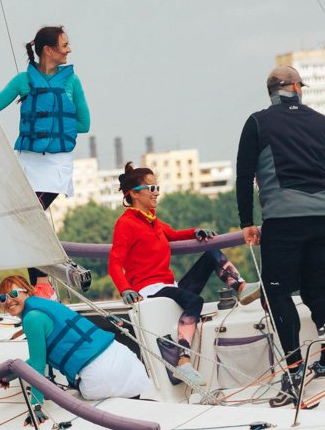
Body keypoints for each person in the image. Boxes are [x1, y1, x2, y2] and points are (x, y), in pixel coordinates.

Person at [236, 65, 325, 406]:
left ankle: (295, 369)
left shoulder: (257, 122)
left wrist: (247, 222)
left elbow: (243, 176)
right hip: (323, 216)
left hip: (283, 218)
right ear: (296, 87)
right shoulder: (323, 122)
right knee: (318, 289)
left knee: (278, 293)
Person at [109, 163, 260, 386]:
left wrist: (195, 232)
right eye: (151, 188)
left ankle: (240, 287)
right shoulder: (125, 224)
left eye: (157, 187)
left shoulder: (152, 220)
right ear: (133, 193)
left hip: (168, 286)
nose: (157, 192)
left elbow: (173, 234)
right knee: (195, 301)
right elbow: (114, 263)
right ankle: (183, 361)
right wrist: (126, 289)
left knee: (211, 254)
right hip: (150, 290)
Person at [0, 26, 91, 291]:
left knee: (31, 215)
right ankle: (40, 285)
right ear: (49, 50)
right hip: (27, 161)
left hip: (56, 164)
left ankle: (43, 281)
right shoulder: (22, 81)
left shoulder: (72, 81)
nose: (69, 49)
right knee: (25, 219)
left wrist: (56, 127)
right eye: (65, 45)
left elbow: (84, 123)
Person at [0, 274, 150, 424]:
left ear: (27, 291)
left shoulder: (31, 318)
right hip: (128, 362)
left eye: (13, 293)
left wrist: (36, 405)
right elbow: (38, 357)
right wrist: (13, 374)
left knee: (71, 393)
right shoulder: (47, 304)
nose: (8, 300)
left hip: (100, 377)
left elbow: (38, 364)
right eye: (3, 298)